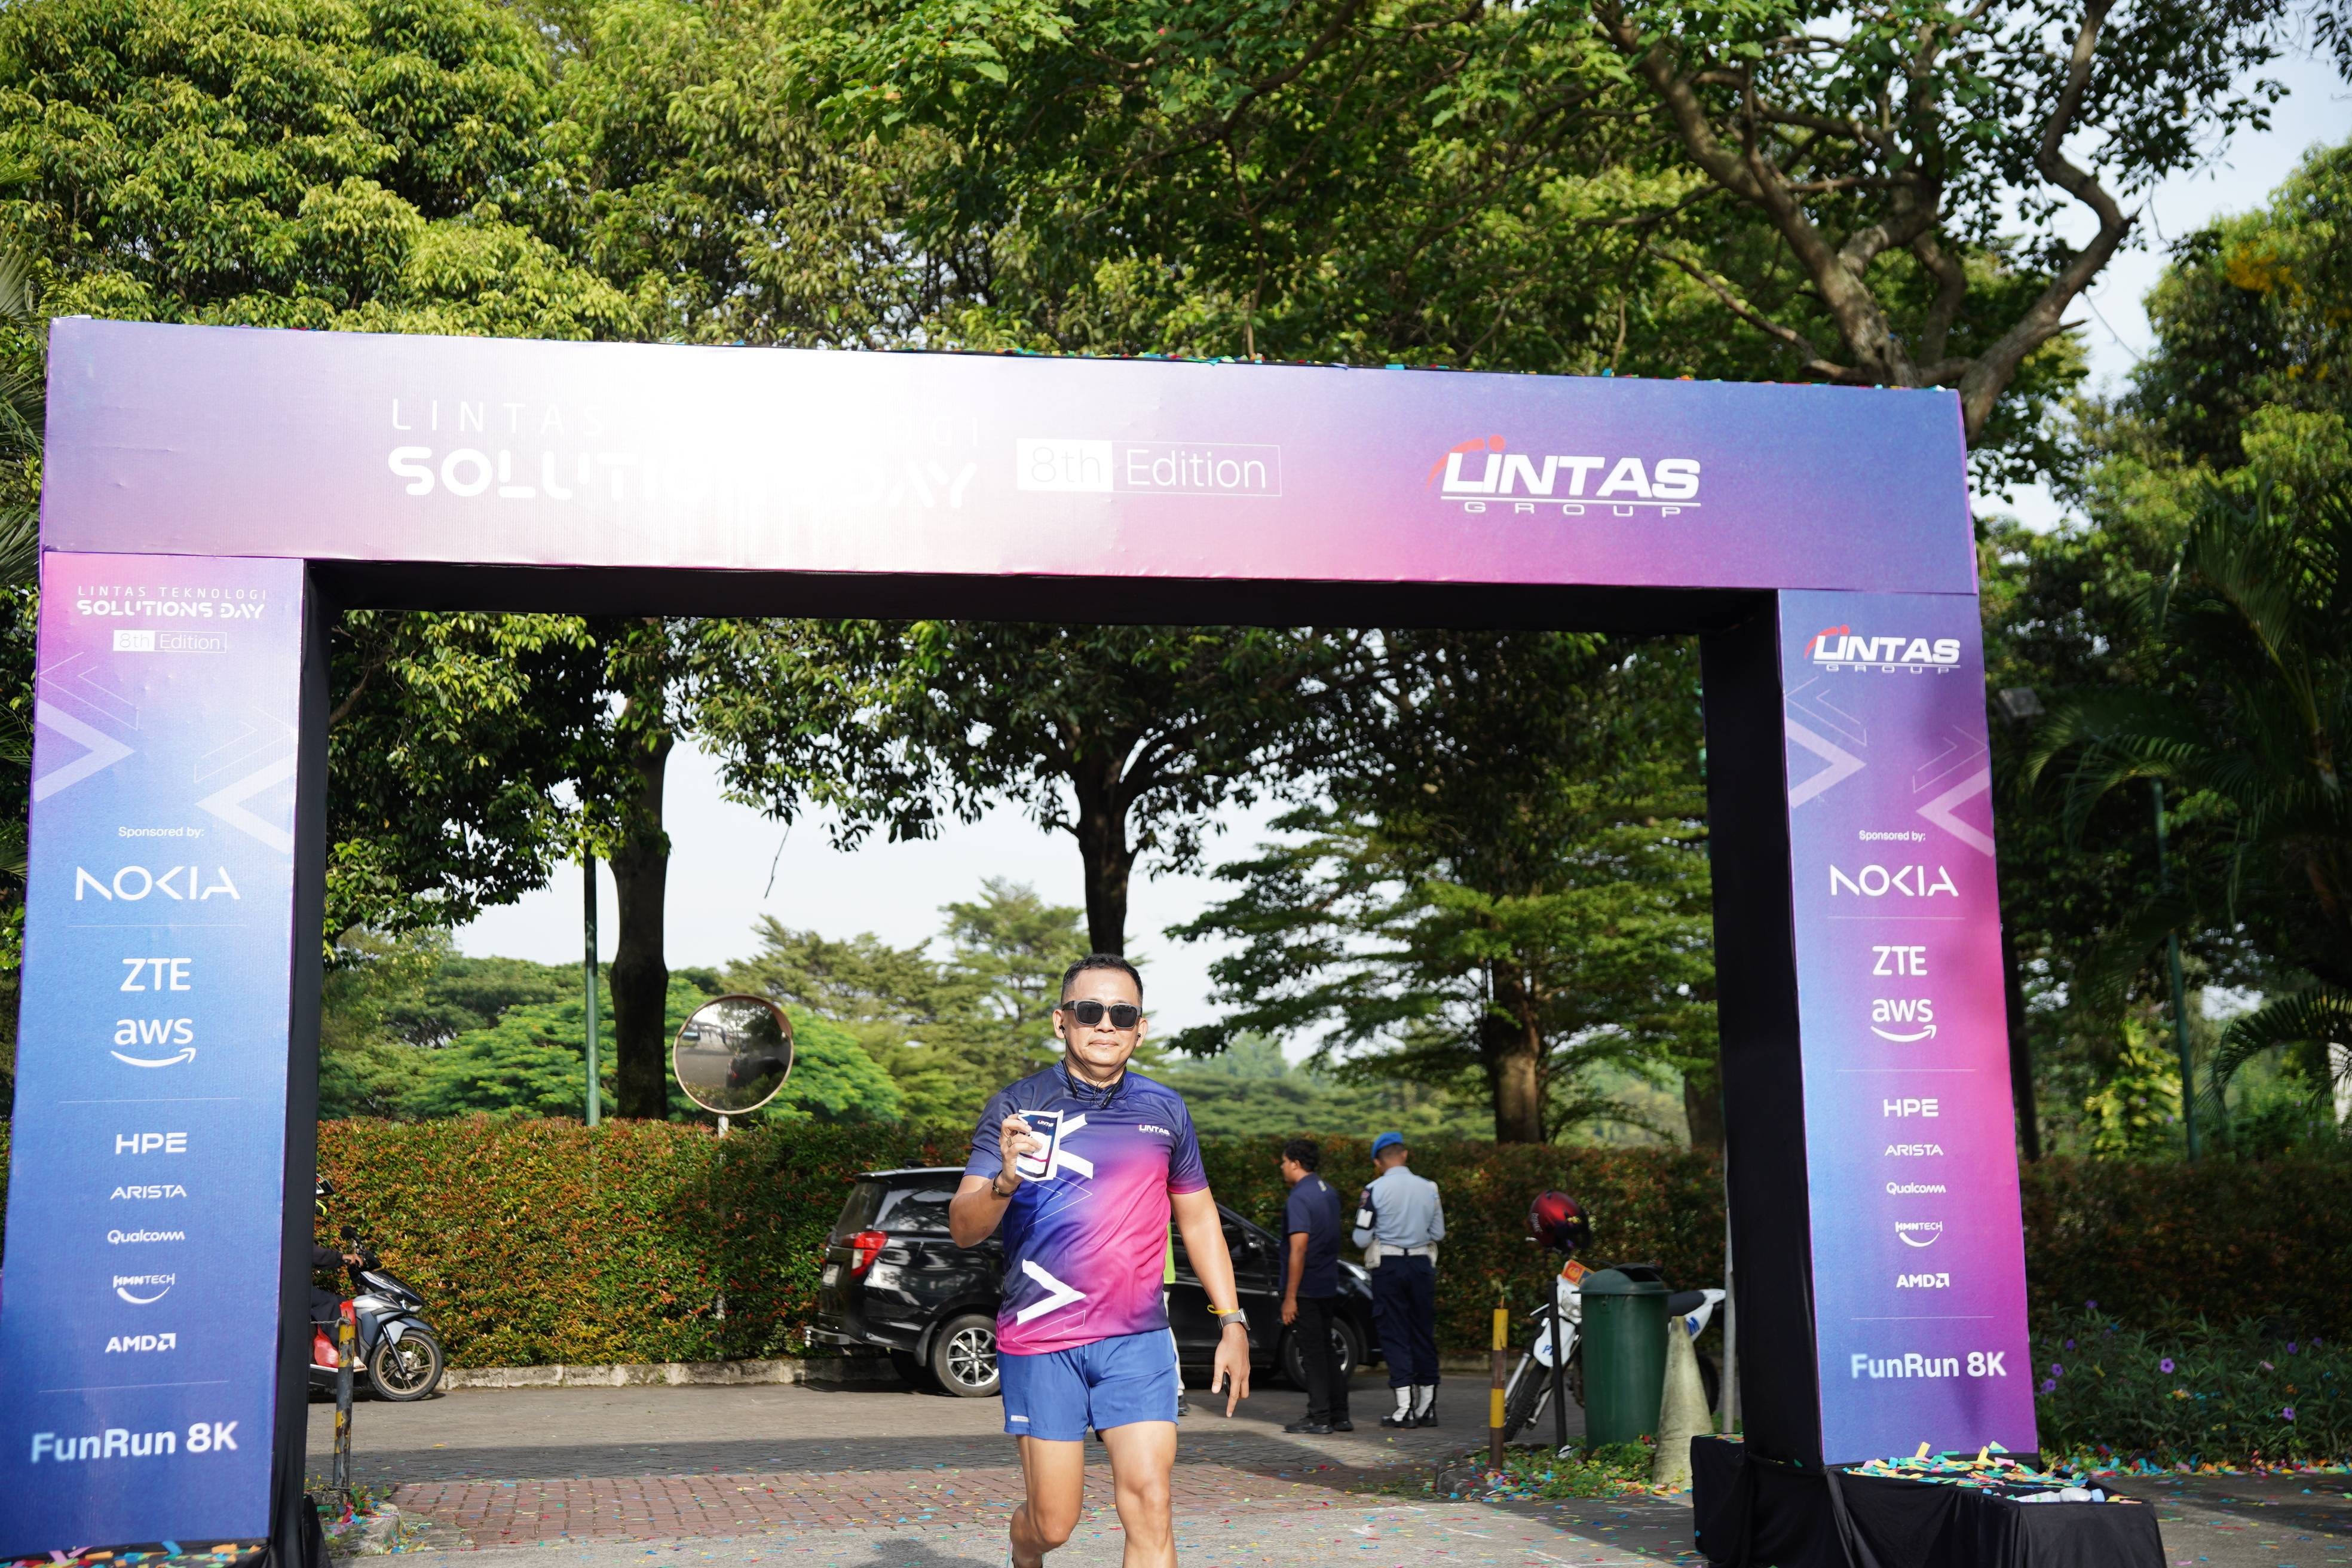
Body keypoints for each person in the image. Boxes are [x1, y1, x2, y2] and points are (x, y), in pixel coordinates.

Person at [949, 954, 1252, 1568]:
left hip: (1137, 1339)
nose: (1106, 1024)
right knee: (1054, 1523)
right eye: (1090, 1011)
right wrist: (1004, 1182)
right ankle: (1023, 1546)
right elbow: (963, 1227)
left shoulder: (1166, 1109)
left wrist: (1232, 1320)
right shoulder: (1017, 1105)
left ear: (1141, 1027)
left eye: (1122, 1013)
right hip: (1042, 1339)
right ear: (1062, 1020)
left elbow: (1198, 1219)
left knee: (1151, 1502)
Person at [1352, 1131, 1444, 1428]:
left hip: (1389, 1267)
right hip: (1421, 1265)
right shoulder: (1430, 1188)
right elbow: (1439, 1233)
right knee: (1422, 1331)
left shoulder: (1373, 1190)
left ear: (1378, 1162)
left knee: (1394, 1332)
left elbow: (1361, 1238)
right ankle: (1427, 1407)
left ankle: (1404, 1409)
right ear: (1404, 1155)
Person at [1276, 1138, 1350, 1435]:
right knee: (1327, 1349)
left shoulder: (1299, 1198)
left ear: (1296, 1163)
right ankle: (1340, 1414)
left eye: (1284, 1162)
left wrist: (1290, 1297)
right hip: (1327, 1282)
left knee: (1312, 1353)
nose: (1282, 1167)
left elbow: (1298, 1248)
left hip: (1305, 1287)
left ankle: (1319, 1416)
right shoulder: (1328, 1192)